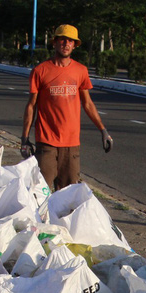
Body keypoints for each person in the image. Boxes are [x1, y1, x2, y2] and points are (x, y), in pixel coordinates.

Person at [20, 24, 112, 191]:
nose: (66, 44)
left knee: (68, 195)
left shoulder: (80, 71)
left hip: (71, 144)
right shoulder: (40, 71)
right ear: (54, 43)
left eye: (70, 41)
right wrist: (24, 139)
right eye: (62, 40)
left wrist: (103, 130)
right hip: (46, 143)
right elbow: (31, 105)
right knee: (42, 192)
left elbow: (88, 103)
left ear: (74, 45)